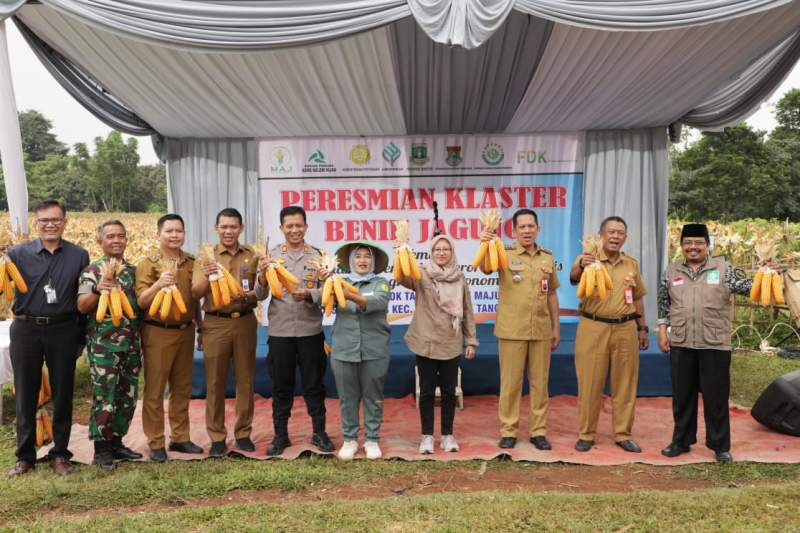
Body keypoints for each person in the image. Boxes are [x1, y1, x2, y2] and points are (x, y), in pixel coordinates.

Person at [658, 223, 756, 463]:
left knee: (716, 398)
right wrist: (662, 332)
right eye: (688, 243)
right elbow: (663, 304)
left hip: (714, 343)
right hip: (681, 342)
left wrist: (767, 274)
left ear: (707, 245)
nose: (693, 247)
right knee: (682, 396)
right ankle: (681, 441)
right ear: (681, 245)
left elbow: (750, 288)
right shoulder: (671, 271)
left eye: (698, 243)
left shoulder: (724, 269)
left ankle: (720, 446)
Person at [6, 200, 89, 478]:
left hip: (63, 328)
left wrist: (81, 336)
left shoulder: (79, 255)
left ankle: (60, 453)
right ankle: (25, 456)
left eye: (55, 220)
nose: (50, 225)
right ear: (36, 223)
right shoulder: (17, 253)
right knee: (26, 393)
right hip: (26, 327)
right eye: (44, 220)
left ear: (65, 222)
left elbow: (82, 297)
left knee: (63, 392)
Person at [480, 208, 560, 450]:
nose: (526, 230)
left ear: (538, 229)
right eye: (522, 227)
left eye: (530, 226)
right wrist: (485, 242)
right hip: (512, 330)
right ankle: (509, 430)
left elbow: (552, 293)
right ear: (514, 231)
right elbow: (485, 268)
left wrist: (556, 327)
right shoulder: (503, 253)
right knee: (511, 384)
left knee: (540, 384)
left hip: (541, 331)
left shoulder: (547, 257)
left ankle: (538, 431)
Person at [258, 206, 334, 456]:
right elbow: (260, 295)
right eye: (289, 226)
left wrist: (311, 294)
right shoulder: (271, 256)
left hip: (310, 331)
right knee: (281, 386)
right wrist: (261, 275)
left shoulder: (319, 256)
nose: (294, 230)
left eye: (298, 225)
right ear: (281, 229)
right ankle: (281, 436)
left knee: (314, 385)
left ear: (306, 227)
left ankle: (319, 433)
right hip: (280, 333)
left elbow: (330, 292)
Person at [191, 208, 267, 457]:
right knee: (215, 382)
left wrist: (260, 284)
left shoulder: (253, 255)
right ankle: (216, 437)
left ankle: (243, 433)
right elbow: (196, 293)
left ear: (241, 228)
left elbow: (261, 293)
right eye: (223, 227)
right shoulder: (206, 256)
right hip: (216, 322)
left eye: (233, 227)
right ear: (216, 228)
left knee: (245, 380)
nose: (228, 231)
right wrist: (209, 274)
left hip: (244, 320)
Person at [569, 216, 648, 453]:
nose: (615, 237)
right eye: (611, 232)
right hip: (594, 327)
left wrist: (642, 328)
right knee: (590, 382)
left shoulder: (630, 264)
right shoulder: (588, 258)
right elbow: (573, 277)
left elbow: (637, 297)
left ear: (625, 238)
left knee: (625, 383)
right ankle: (586, 434)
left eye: (620, 233)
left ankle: (623, 433)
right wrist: (582, 264)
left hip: (626, 328)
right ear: (601, 235)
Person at [398, 234, 477, 454]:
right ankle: (427, 436)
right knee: (426, 392)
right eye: (437, 250)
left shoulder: (460, 277)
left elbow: (468, 310)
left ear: (452, 252)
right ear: (431, 253)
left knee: (450, 392)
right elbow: (402, 278)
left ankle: (447, 435)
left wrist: (471, 340)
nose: (441, 253)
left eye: (446, 249)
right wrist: (402, 251)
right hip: (426, 342)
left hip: (450, 342)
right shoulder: (421, 274)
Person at [77, 220, 143, 468]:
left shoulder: (133, 272)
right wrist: (97, 290)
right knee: (105, 396)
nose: (116, 240)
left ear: (126, 240)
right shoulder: (91, 272)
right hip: (104, 347)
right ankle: (101, 448)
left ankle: (117, 442)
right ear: (100, 241)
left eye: (121, 236)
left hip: (131, 345)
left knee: (127, 396)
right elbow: (82, 306)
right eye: (110, 236)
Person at [135, 214, 200, 462]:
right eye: (169, 231)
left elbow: (195, 301)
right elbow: (142, 301)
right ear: (158, 234)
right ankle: (156, 442)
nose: (174, 235)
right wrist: (159, 284)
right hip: (157, 331)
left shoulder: (191, 262)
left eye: (179, 231)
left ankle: (181, 438)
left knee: (182, 388)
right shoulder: (149, 264)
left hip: (186, 330)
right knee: (155, 389)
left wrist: (201, 328)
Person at [327, 241, 391, 460]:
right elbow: (321, 298)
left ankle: (372, 439)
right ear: (350, 261)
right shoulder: (337, 283)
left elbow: (378, 302)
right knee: (347, 397)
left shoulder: (380, 283)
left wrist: (349, 294)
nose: (362, 260)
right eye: (358, 256)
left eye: (367, 257)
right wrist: (320, 285)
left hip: (374, 349)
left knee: (374, 396)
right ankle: (350, 439)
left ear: (372, 262)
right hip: (344, 349)